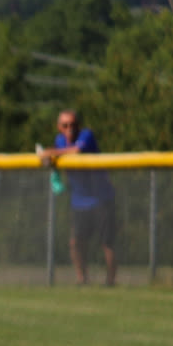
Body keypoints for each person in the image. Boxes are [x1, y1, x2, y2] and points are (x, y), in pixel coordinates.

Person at [36, 108, 117, 286]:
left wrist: (50, 152)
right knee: (76, 242)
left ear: (79, 125)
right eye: (65, 125)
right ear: (59, 127)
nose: (69, 128)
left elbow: (75, 151)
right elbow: (55, 156)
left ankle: (110, 281)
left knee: (107, 243)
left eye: (73, 124)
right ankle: (82, 279)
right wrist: (48, 158)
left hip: (101, 198)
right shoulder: (59, 141)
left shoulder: (86, 136)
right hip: (79, 200)